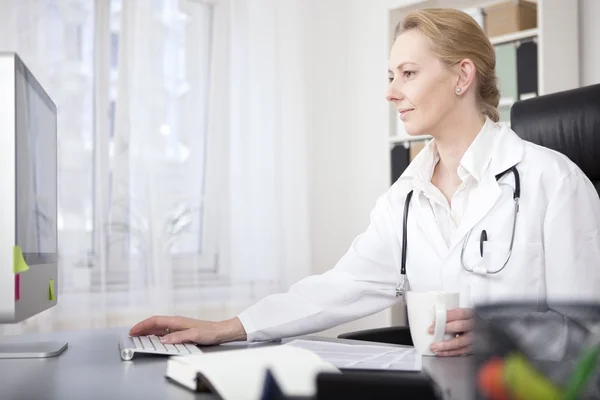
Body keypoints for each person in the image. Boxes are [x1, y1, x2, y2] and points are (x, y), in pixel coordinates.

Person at [129, 8, 600, 357]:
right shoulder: (407, 197)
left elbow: (589, 333)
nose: (391, 91)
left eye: (408, 74)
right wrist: (224, 328)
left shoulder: (553, 182)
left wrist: (507, 334)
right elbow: (339, 287)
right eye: (392, 75)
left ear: (462, 76)